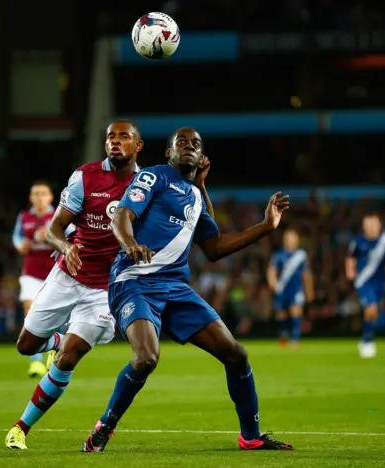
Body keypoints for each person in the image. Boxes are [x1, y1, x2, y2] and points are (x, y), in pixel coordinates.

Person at [82, 127, 293, 453]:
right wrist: (130, 244)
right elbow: (121, 215)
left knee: (236, 354)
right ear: (168, 152)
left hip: (175, 288)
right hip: (134, 281)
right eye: (181, 142)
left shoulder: (195, 195)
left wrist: (266, 226)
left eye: (196, 144)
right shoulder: (154, 177)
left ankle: (251, 436)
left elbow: (215, 247)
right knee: (147, 357)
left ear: (202, 157)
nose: (189, 147)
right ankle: (104, 427)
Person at [5, 120, 143, 449]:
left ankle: (21, 428)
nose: (116, 142)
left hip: (105, 291)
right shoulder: (85, 177)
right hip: (66, 276)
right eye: (111, 136)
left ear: (138, 146)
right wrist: (66, 247)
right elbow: (54, 229)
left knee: (69, 357)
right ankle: (54, 339)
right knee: (25, 346)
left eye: (125, 137)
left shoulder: (146, 184)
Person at [12, 181, 57, 377]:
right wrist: (20, 245)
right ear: (31, 198)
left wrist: (50, 238)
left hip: (54, 272)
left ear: (50, 197)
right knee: (30, 311)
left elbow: (69, 237)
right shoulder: (24, 217)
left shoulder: (57, 216)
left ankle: (53, 349)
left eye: (43, 194)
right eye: (36, 194)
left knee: (55, 315)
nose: (40, 197)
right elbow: (17, 238)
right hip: (31, 273)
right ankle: (36, 362)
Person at [345, 213, 385, 358]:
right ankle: (367, 341)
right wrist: (350, 270)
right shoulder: (357, 242)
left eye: (374, 225)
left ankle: (366, 337)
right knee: (371, 308)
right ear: (364, 227)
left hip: (379, 281)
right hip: (363, 281)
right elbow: (350, 257)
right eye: (368, 225)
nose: (372, 228)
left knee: (373, 311)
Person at [267, 228, 314, 348]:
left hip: (296, 289)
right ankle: (283, 336)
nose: (290, 241)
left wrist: (309, 290)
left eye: (293, 238)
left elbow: (306, 274)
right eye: (288, 238)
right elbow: (272, 270)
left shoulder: (301, 255)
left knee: (296, 310)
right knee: (281, 314)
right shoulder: (278, 255)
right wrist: (273, 283)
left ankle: (295, 339)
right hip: (282, 288)